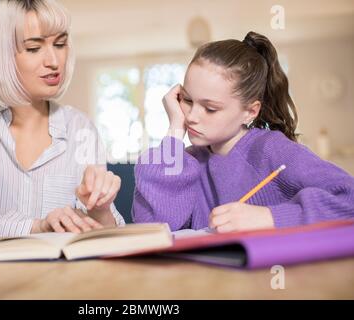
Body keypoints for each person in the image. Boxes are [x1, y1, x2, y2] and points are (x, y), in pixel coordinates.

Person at [0, 0, 125, 238]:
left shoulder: (81, 127)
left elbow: (108, 234)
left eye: (60, 44)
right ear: (1, 53)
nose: (54, 62)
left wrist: (100, 210)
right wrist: (37, 226)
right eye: (34, 48)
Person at [132, 31, 354, 233]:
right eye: (187, 100)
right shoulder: (187, 162)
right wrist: (174, 132)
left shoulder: (271, 149)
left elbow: (349, 198)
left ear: (250, 112)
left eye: (210, 108)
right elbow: (151, 229)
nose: (191, 116)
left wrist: (270, 217)